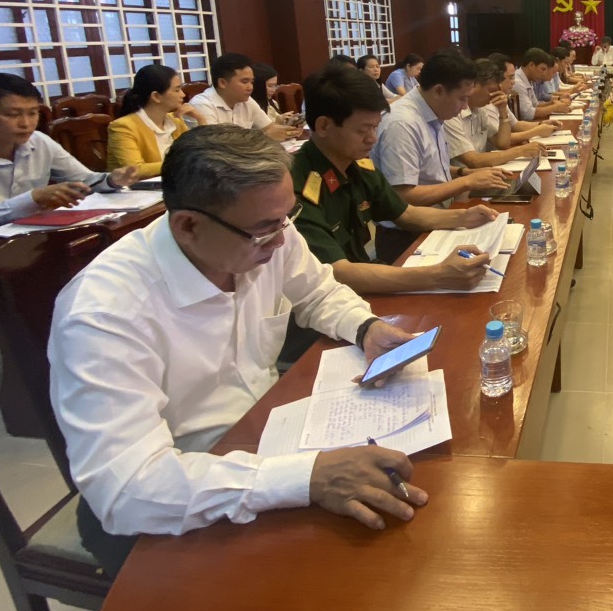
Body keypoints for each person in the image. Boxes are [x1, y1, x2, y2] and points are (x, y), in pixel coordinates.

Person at [49, 126, 429, 575]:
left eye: (287, 217)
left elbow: (317, 292)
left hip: (266, 438)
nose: (283, 240)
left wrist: (365, 327)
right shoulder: (104, 315)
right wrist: (307, 478)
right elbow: (128, 490)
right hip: (178, 502)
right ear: (188, 226)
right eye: (266, 229)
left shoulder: (262, 231)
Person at [291, 64, 495, 289]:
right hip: (335, 293)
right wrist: (438, 275)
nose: (373, 139)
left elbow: (405, 213)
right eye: (363, 130)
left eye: (375, 128)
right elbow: (337, 272)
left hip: (363, 277)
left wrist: (465, 217)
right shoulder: (295, 188)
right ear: (323, 126)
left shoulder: (356, 166)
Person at [0, 73, 140, 235]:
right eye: (13, 115)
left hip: (33, 239)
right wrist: (32, 199)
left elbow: (86, 181)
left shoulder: (39, 141)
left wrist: (112, 180)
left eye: (33, 113)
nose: (26, 123)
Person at [373, 49, 512, 207]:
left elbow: (429, 171)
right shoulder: (402, 124)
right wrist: (466, 182)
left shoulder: (433, 111)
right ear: (438, 91)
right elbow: (403, 196)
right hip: (421, 221)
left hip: (443, 210)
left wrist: (464, 172)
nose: (465, 106)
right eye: (462, 98)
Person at [446, 58, 548, 170]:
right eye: (491, 91)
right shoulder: (452, 113)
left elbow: (502, 144)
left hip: (484, 172)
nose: (493, 96)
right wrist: (520, 151)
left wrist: (503, 112)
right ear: (474, 85)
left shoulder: (480, 109)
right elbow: (474, 161)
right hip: (467, 177)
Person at [108, 64, 196, 180]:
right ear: (156, 96)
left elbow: (198, 154)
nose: (183, 94)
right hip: (138, 189)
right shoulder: (123, 127)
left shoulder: (175, 119)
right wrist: (182, 163)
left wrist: (201, 119)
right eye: (177, 90)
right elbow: (136, 170)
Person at [189, 53, 299, 141]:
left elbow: (269, 128)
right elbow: (215, 146)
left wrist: (290, 131)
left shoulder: (246, 100)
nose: (250, 87)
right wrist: (265, 137)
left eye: (252, 82)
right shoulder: (202, 104)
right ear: (222, 83)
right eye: (244, 82)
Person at [487, 55, 558, 145]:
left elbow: (516, 124)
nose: (513, 82)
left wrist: (542, 124)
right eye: (511, 77)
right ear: (496, 79)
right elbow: (502, 140)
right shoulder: (486, 104)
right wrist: (536, 131)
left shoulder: (500, 98)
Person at [513, 48, 571, 120]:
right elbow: (529, 114)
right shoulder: (517, 82)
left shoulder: (529, 79)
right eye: (542, 69)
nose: (544, 74)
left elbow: (535, 105)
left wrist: (552, 103)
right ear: (531, 65)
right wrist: (555, 107)